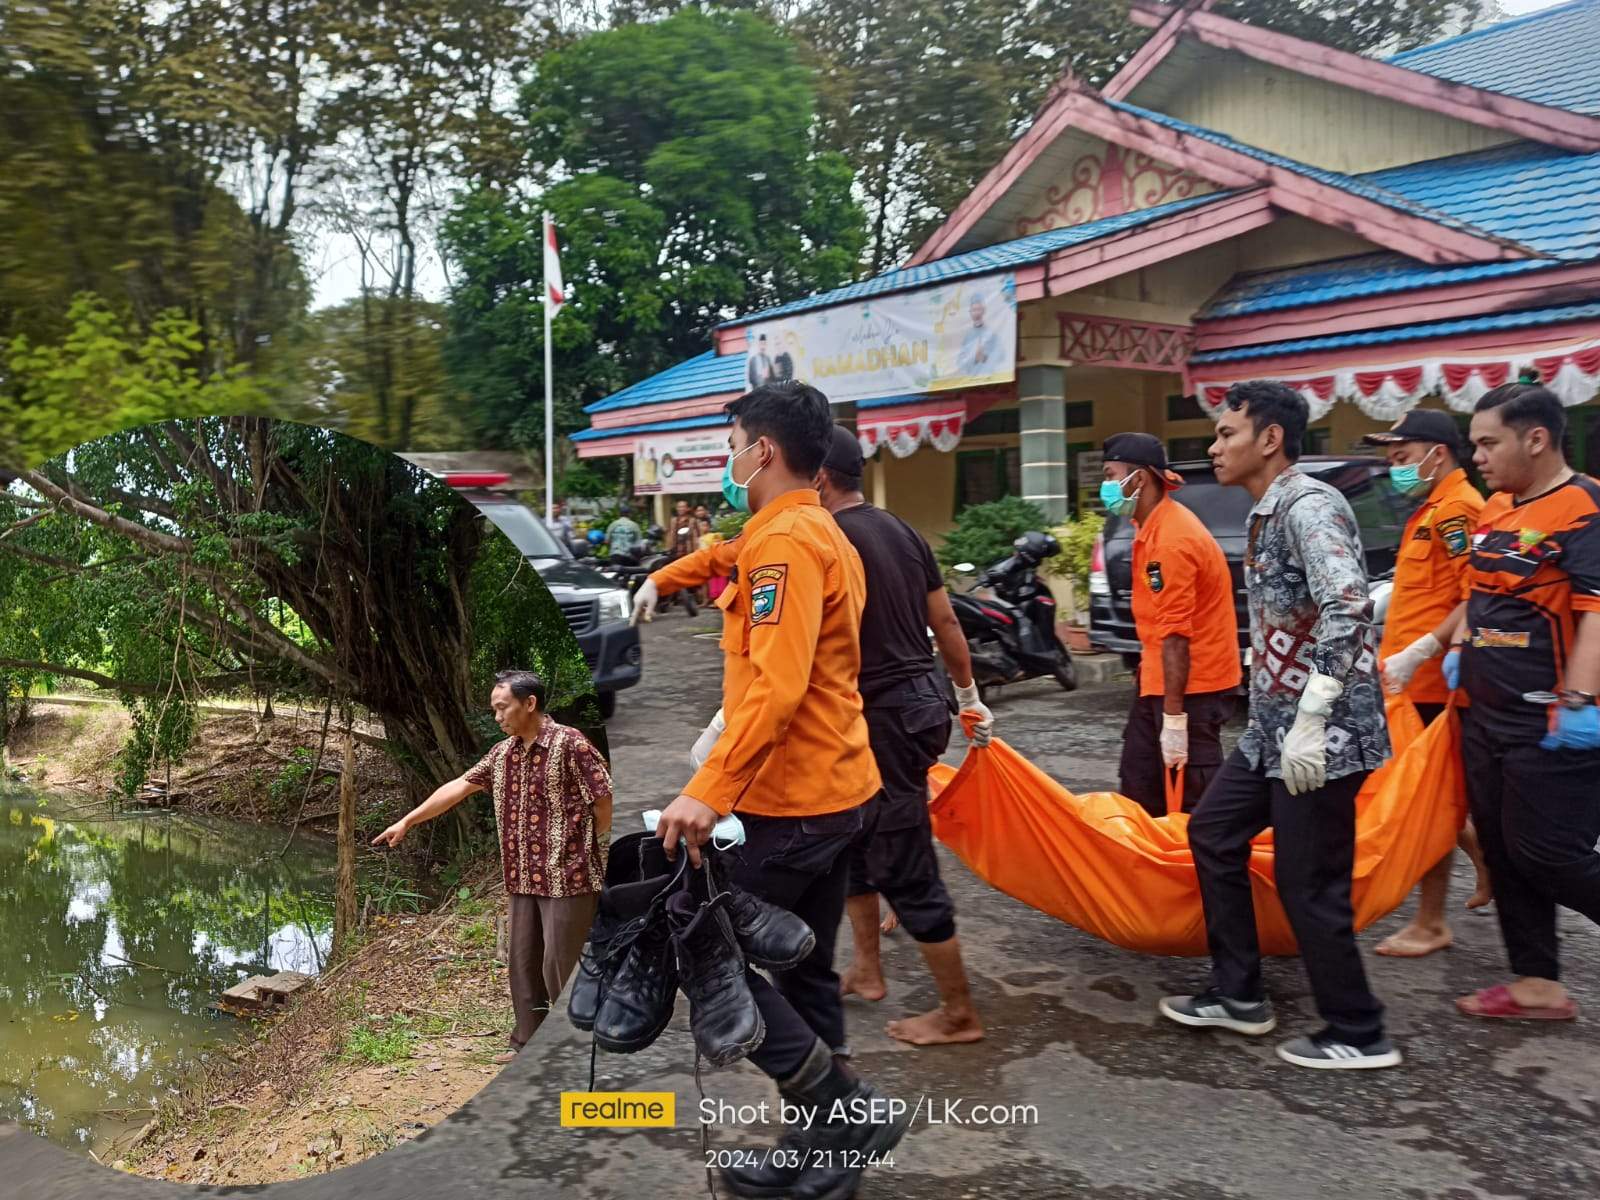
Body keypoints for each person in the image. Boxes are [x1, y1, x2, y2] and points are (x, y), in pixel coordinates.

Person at [653, 381, 912, 1200]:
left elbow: (778, 684)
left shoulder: (787, 546)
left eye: (732, 440)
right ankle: (824, 1164)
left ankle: (845, 1111)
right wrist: (670, 575)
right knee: (803, 973)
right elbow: (728, 556)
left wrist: (710, 788)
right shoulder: (807, 529)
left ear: (761, 449)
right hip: (835, 789)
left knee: (700, 950)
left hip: (792, 801)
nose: (728, 456)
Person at [1161, 380, 1399, 1070]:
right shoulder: (1269, 511)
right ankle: (1239, 995)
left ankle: (1358, 1030)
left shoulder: (1309, 506)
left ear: (1269, 438)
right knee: (1213, 833)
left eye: (1226, 433)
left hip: (1321, 736)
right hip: (1273, 729)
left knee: (1309, 880)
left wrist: (1315, 715)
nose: (1214, 447)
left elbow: (1348, 606)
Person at [809, 424, 994, 1046]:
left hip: (882, 716)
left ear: (820, 478)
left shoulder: (829, 539)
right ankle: (866, 970)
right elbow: (944, 621)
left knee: (900, 857)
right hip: (919, 705)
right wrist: (968, 698)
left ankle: (959, 1013)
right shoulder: (901, 529)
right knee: (853, 843)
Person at [1451, 382, 1600, 1023]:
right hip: (1484, 711)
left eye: (1488, 442)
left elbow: (1598, 610)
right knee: (1504, 848)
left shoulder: (1584, 506)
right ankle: (1536, 982)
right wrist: (1456, 647)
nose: (1476, 456)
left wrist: (1580, 700)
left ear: (1534, 439)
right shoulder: (1496, 510)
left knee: (1550, 853)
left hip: (1548, 720)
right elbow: (1478, 594)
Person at [372, 670, 611, 1064]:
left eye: (503, 708)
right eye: (494, 710)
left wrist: (580, 845)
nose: (498, 717)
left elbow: (602, 800)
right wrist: (408, 821)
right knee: (523, 962)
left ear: (529, 703)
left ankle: (577, 1048)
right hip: (521, 877)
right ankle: (529, 1044)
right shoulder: (503, 754)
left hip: (568, 877)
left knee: (561, 966)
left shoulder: (570, 744)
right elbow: (457, 787)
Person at [1360, 410, 1493, 958]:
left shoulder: (1459, 508)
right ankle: (1483, 857)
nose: (1395, 469)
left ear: (1438, 453)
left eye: (1402, 457)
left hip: (1434, 683)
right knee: (1425, 797)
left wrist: (1423, 651)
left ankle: (1431, 919)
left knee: (1425, 802)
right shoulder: (1434, 508)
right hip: (1409, 681)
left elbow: (1474, 595)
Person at [1100, 433, 1240, 817]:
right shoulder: (1152, 527)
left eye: (1112, 475)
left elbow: (1177, 634)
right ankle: (1153, 868)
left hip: (1194, 687)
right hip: (1160, 680)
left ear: (1140, 479)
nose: (1106, 486)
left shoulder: (1172, 539)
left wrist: (1175, 720)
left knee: (1193, 796)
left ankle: (1204, 871)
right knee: (1140, 783)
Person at [956, 294, 999, 378]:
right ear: (970, 313)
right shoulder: (967, 336)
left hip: (990, 379)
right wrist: (974, 359)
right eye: (973, 310)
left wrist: (985, 357)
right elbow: (959, 362)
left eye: (978, 309)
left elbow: (1001, 356)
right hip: (972, 380)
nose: (976, 313)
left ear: (983, 311)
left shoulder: (992, 333)